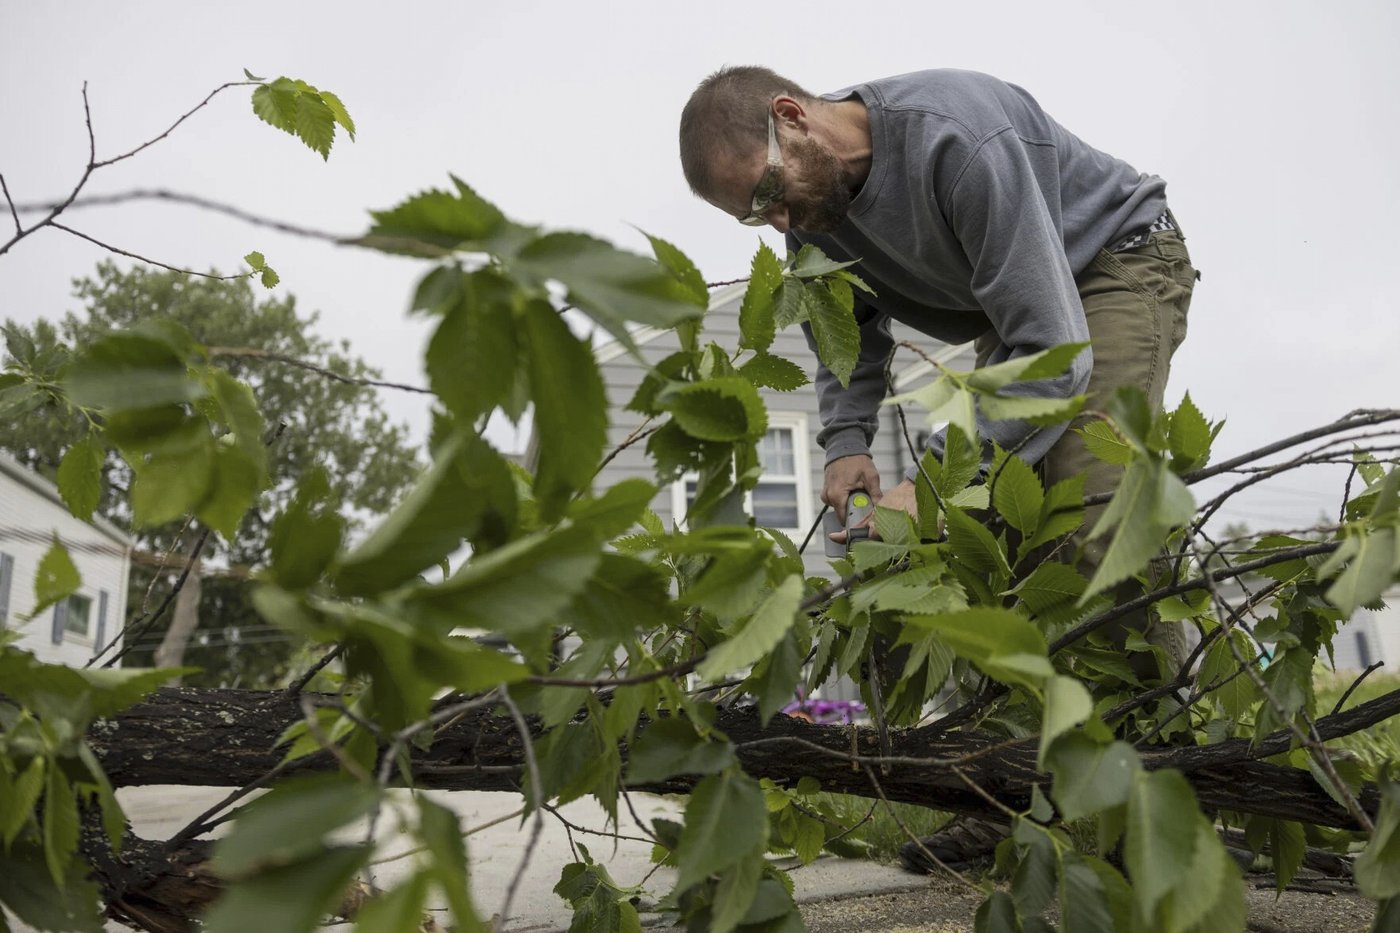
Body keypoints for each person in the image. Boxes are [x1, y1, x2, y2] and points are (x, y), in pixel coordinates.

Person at [678, 66, 1198, 871]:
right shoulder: (811, 212)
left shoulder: (957, 141)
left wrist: (931, 489)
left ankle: (1166, 799)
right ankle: (1004, 799)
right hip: (1017, 307)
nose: (777, 220)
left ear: (792, 117)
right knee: (989, 546)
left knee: (1095, 514)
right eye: (755, 216)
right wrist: (846, 442)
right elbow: (848, 334)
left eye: (767, 194)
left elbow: (1054, 354)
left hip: (1110, 264)